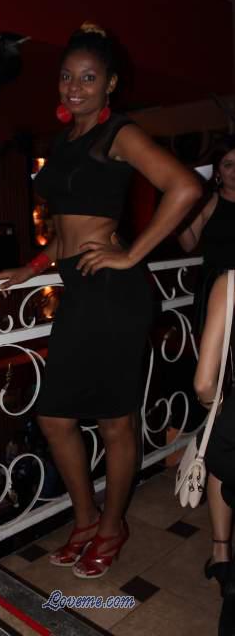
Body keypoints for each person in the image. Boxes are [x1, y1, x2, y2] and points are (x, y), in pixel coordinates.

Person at [0, 22, 201, 579]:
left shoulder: (120, 133)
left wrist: (132, 256)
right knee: (54, 415)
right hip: (80, 290)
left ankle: (112, 526)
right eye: (67, 76)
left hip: (114, 294)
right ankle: (84, 519)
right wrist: (33, 266)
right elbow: (65, 229)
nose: (74, 87)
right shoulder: (63, 141)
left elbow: (185, 187)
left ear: (110, 83)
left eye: (88, 78)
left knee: (115, 421)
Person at [178, 137, 235, 592]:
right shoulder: (211, 202)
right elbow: (187, 242)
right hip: (222, 300)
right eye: (229, 164)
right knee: (215, 395)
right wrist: (188, 205)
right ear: (218, 170)